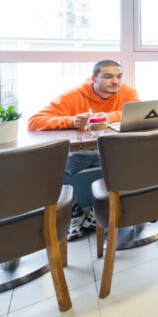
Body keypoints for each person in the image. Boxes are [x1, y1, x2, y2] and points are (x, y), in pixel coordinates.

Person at [27, 60, 140, 239]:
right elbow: (34, 121)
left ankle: (100, 210)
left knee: (134, 165)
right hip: (81, 152)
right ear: (94, 78)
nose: (115, 81)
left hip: (113, 150)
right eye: (108, 76)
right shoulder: (74, 95)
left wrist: (107, 116)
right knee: (49, 174)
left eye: (119, 76)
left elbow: (136, 111)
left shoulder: (126, 90)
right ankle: (75, 212)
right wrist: (71, 121)